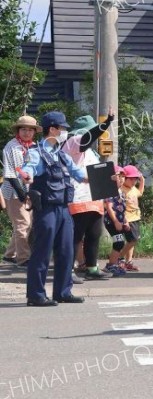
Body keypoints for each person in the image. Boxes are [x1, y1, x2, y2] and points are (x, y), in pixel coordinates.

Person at [20, 111, 87, 306]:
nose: (65, 131)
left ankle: (63, 292)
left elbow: (79, 174)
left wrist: (106, 179)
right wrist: (27, 177)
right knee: (42, 251)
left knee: (66, 251)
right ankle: (36, 295)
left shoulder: (62, 155)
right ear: (53, 129)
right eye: (63, 128)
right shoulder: (35, 152)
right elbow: (29, 169)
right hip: (47, 209)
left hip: (64, 209)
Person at [62, 111, 114, 281]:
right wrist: (106, 123)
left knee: (94, 235)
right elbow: (87, 139)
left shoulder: (91, 152)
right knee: (75, 238)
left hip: (94, 199)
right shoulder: (72, 143)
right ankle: (67, 271)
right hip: (76, 199)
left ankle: (92, 267)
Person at [2, 115, 41, 268]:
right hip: (13, 191)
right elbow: (10, 174)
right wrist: (22, 194)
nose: (27, 133)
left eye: (30, 130)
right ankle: (23, 258)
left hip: (31, 190)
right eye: (23, 129)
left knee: (26, 224)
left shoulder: (35, 147)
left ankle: (9, 255)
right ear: (18, 130)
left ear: (34, 132)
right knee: (23, 224)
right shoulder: (11, 147)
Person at [102, 165, 128, 277]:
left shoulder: (121, 191)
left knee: (120, 242)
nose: (122, 179)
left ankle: (113, 263)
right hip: (111, 221)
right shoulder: (110, 190)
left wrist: (125, 221)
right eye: (119, 176)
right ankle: (110, 265)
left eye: (123, 176)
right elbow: (109, 206)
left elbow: (122, 208)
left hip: (119, 221)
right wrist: (116, 221)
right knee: (119, 242)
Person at [120, 164, 144, 271]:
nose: (134, 181)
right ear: (124, 178)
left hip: (135, 217)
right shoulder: (122, 190)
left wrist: (142, 180)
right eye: (131, 179)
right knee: (133, 240)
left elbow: (140, 193)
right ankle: (119, 258)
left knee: (131, 241)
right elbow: (120, 207)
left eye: (136, 179)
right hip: (128, 218)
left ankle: (128, 261)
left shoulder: (133, 188)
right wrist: (124, 219)